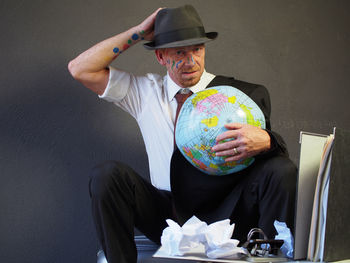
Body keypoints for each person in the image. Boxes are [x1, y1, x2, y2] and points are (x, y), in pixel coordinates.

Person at [68, 5, 297, 263]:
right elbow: (80, 69)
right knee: (106, 175)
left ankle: (270, 259)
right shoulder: (143, 93)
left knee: (281, 169)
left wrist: (267, 141)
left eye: (197, 49)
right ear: (161, 57)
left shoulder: (235, 97)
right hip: (169, 217)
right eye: (179, 52)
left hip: (229, 215)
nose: (191, 61)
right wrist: (138, 33)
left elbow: (273, 165)